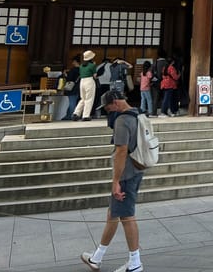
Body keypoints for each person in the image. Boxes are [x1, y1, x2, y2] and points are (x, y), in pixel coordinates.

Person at [80, 90, 145, 272]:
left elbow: (121, 151)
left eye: (108, 107)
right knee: (113, 214)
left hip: (126, 174)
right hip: (137, 168)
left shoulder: (123, 120)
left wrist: (115, 181)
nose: (108, 111)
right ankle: (97, 257)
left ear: (115, 102)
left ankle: (135, 263)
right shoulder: (139, 114)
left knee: (126, 216)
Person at [72, 50, 98, 121]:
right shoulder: (92, 65)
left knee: (83, 98)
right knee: (89, 99)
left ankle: (76, 113)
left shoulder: (81, 66)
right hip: (89, 81)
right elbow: (95, 76)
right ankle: (86, 115)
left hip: (82, 81)